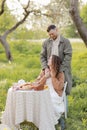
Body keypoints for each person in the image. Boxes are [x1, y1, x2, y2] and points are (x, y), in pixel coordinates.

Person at [40, 24, 72, 95]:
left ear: (57, 30)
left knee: (63, 89)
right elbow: (42, 56)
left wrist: (61, 69)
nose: (51, 36)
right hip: (49, 69)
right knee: (49, 88)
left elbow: (68, 55)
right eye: (49, 35)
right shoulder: (46, 42)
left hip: (62, 69)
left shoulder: (65, 42)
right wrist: (45, 68)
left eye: (52, 34)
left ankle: (63, 105)